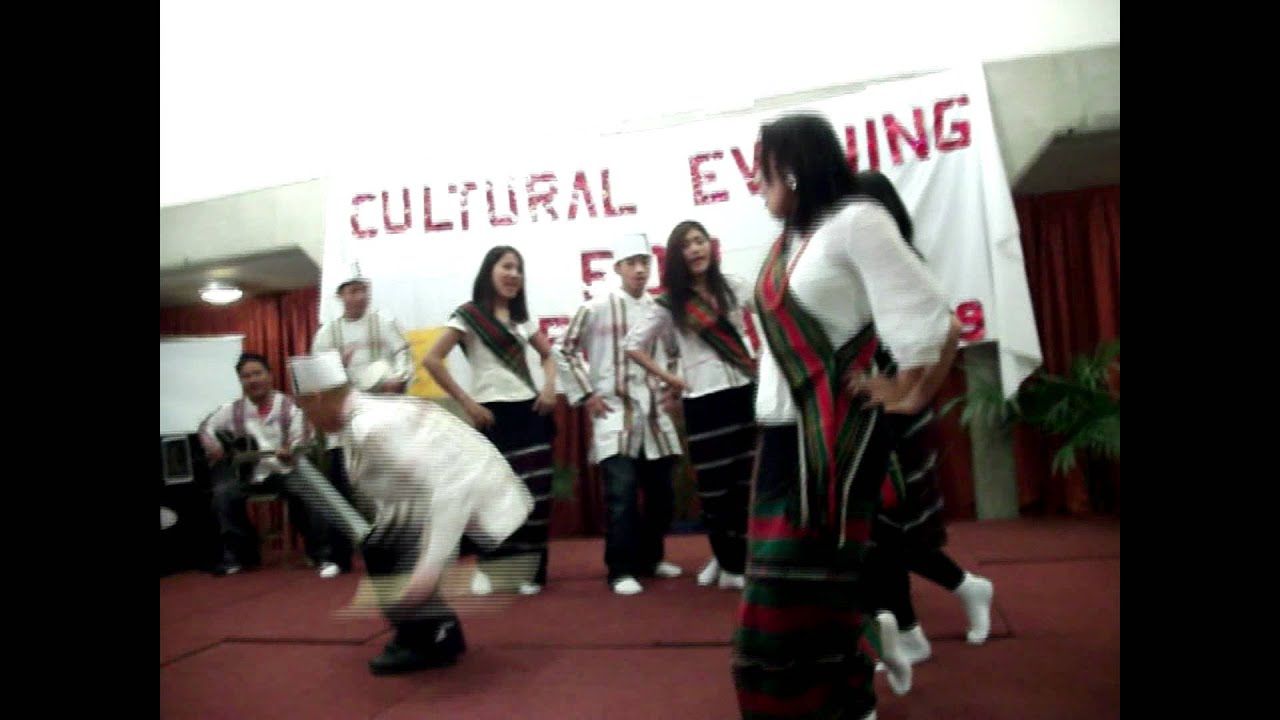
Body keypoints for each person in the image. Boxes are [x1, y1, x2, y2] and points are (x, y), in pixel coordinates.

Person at [731, 114, 957, 720]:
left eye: (766, 171)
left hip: (837, 436)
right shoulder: (791, 243)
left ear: (797, 170)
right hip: (781, 438)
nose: (758, 184)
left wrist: (909, 392)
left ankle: (847, 702)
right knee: (787, 591)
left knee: (803, 588)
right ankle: (849, 677)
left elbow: (936, 320)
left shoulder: (857, 222)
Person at [289, 350, 533, 675]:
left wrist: (428, 571)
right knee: (380, 543)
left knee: (386, 551)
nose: (307, 419)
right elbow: (401, 491)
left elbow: (451, 486)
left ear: (317, 397)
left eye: (304, 408)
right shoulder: (365, 416)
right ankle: (438, 631)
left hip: (484, 506)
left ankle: (425, 641)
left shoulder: (371, 426)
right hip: (470, 499)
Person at [851, 171, 996, 674]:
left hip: (896, 419)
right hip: (871, 414)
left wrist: (914, 397)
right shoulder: (859, 271)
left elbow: (951, 329)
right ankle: (959, 595)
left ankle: (911, 631)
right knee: (886, 533)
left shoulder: (900, 266)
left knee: (887, 532)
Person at [624, 220, 757, 591]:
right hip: (703, 400)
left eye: (700, 241)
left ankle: (727, 556)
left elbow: (769, 309)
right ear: (678, 257)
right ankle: (731, 566)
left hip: (743, 392)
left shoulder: (732, 285)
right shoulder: (670, 303)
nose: (696, 249)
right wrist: (671, 379)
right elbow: (633, 345)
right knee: (715, 489)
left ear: (710, 247)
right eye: (687, 245)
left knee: (742, 486)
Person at [423, 246, 559, 596]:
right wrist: (466, 402)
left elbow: (548, 356)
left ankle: (532, 569)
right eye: (507, 266)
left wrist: (548, 387)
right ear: (489, 272)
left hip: (529, 412)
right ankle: (489, 565)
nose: (514, 274)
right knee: (492, 496)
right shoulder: (468, 316)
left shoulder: (520, 319)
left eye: (519, 268)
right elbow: (433, 360)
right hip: (491, 415)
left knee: (536, 496)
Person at [556, 233, 686, 596]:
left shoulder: (660, 309)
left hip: (655, 413)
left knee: (662, 494)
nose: (640, 270)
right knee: (622, 494)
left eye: (645, 262)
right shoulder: (595, 307)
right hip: (614, 412)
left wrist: (672, 389)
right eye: (632, 263)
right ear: (618, 268)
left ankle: (651, 558)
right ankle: (620, 569)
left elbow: (675, 351)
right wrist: (586, 393)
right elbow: (563, 350)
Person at [311, 263, 415, 576]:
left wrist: (398, 378)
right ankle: (339, 556)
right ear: (340, 295)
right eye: (353, 290)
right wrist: (338, 372)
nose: (360, 296)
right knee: (343, 488)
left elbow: (405, 356)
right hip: (345, 422)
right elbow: (318, 377)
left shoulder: (385, 322)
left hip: (382, 414)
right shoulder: (327, 334)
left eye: (363, 289)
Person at [197, 353, 338, 578]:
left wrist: (290, 450)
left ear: (269, 376)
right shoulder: (233, 410)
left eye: (257, 373)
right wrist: (214, 446)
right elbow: (205, 427)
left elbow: (302, 436)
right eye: (246, 376)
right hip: (250, 475)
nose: (252, 380)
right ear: (241, 381)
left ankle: (323, 555)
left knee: (311, 489)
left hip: (284, 471)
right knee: (223, 493)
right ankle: (240, 556)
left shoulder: (289, 407)